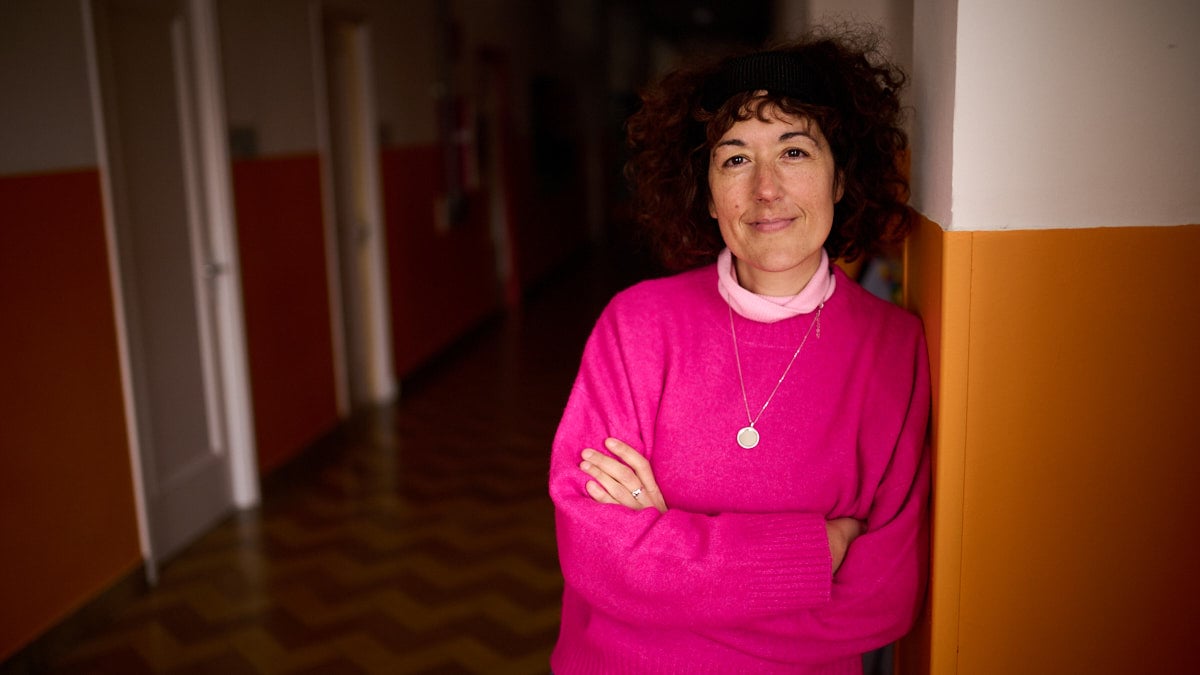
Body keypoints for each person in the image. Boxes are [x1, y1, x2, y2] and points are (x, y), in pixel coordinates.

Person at [548, 26, 930, 675]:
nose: (766, 189)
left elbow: (881, 603)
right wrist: (818, 551)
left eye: (795, 152)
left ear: (841, 178)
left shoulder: (892, 348)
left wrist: (668, 568)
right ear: (705, 191)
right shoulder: (634, 325)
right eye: (734, 159)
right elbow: (598, 554)